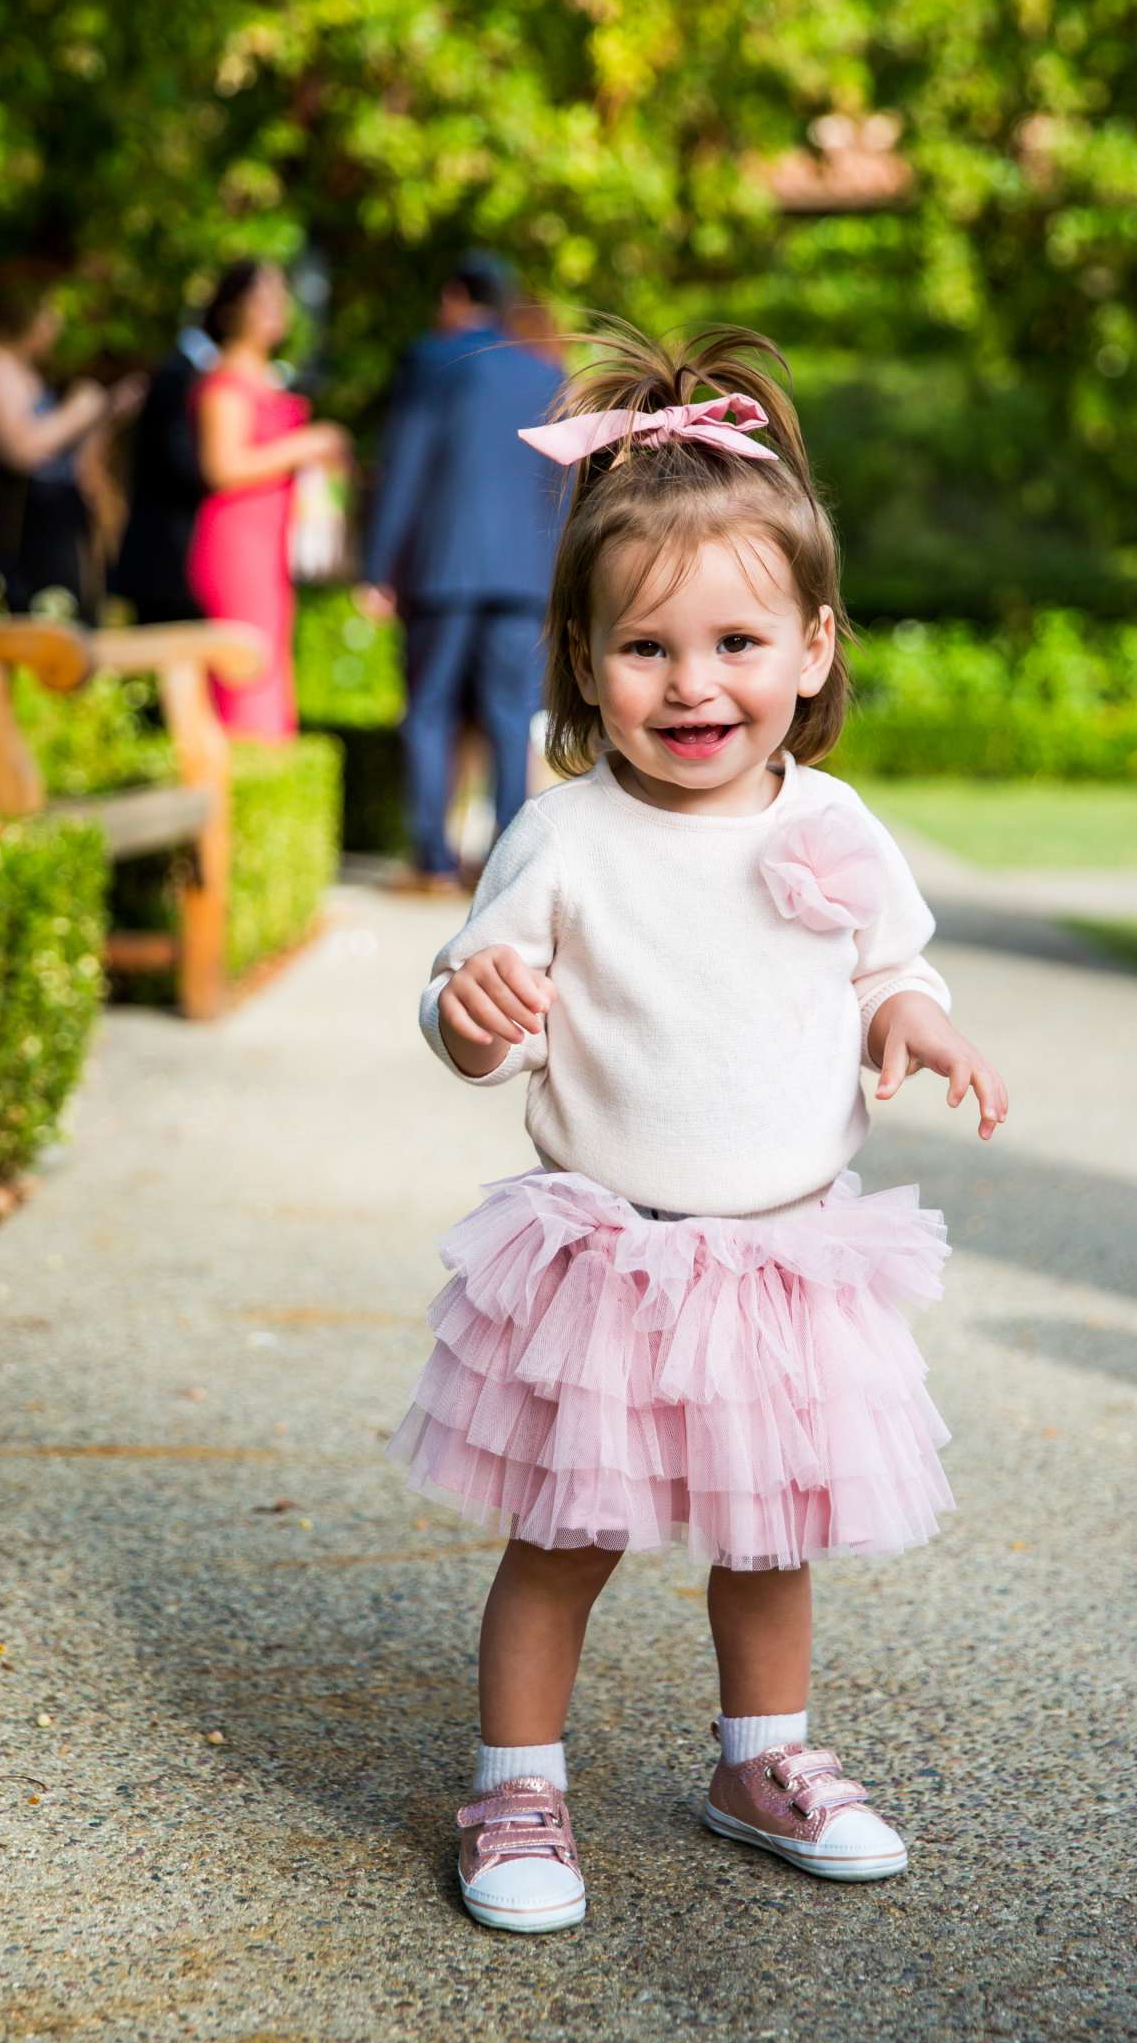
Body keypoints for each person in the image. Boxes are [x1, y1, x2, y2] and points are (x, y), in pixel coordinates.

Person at [386, 323, 1008, 1933]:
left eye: (737, 643)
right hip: (614, 1251)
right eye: (647, 650)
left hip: (785, 1257)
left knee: (770, 1531)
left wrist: (910, 1017)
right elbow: (477, 986)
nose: (694, 685)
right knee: (562, 1536)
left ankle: (762, 1758)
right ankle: (518, 1782)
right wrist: (471, 1016)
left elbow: (889, 956)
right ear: (585, 662)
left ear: (812, 647)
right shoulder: (566, 833)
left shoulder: (833, 820)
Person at [362, 258, 562, 889]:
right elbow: (561, 482)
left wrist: (376, 565)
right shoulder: (546, 375)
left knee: (429, 711)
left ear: (453, 296)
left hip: (442, 568)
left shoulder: (433, 361)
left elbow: (406, 465)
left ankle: (432, 859)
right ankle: (503, 865)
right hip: (526, 574)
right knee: (511, 716)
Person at [187, 259, 352, 738]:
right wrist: (308, 443)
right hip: (237, 541)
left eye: (280, 297)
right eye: (263, 297)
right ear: (232, 309)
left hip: (271, 541)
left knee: (271, 671)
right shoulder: (225, 382)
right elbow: (223, 466)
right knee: (246, 675)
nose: (276, 308)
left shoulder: (267, 378)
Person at [0, 285, 143, 617]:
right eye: (48, 314)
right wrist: (78, 410)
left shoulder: (26, 368)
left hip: (61, 525)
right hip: (27, 536)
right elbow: (21, 450)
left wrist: (106, 414)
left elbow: (66, 460)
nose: (55, 326)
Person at [111, 316, 219, 623]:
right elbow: (180, 462)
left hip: (165, 557)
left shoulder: (183, 370)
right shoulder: (178, 374)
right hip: (167, 557)